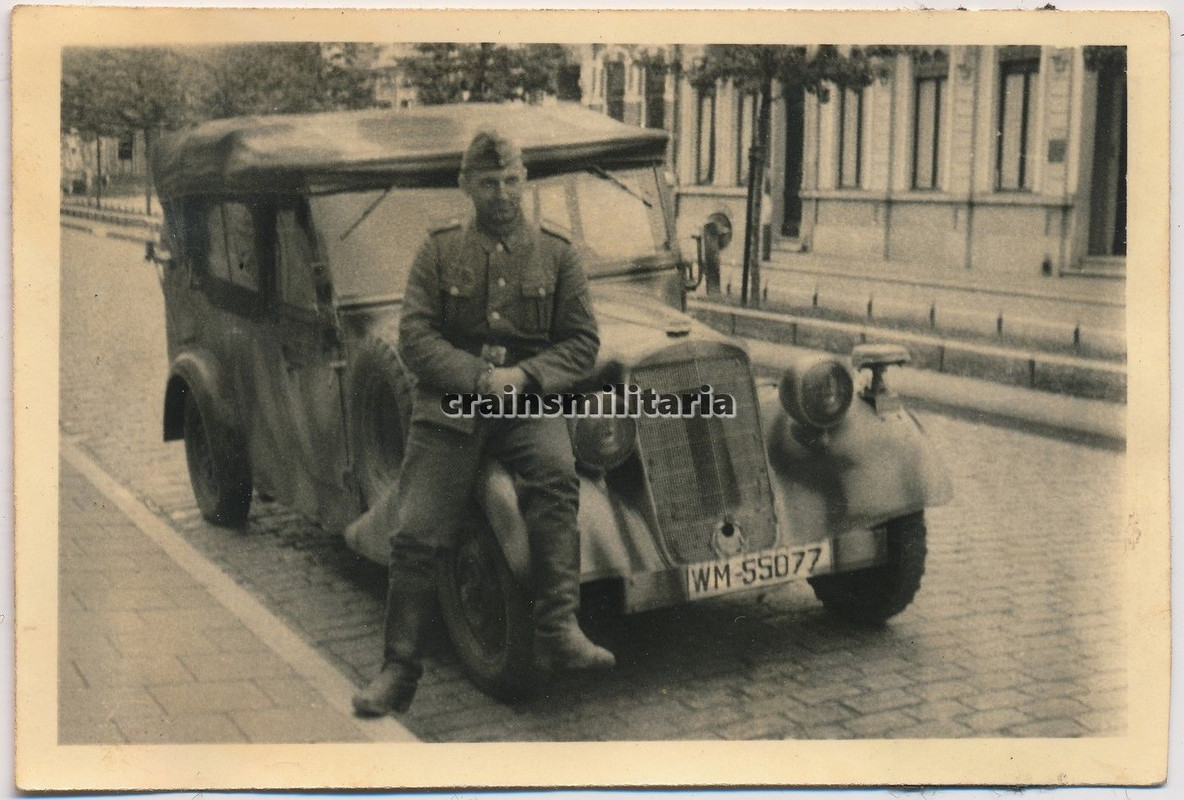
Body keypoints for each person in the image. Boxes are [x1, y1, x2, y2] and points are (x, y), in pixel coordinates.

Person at [351, 130, 615, 717]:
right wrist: (477, 378)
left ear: (525, 182)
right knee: (416, 530)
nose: (502, 194)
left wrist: (525, 379)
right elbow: (414, 339)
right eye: (490, 182)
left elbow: (582, 343)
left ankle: (559, 627)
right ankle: (399, 669)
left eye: (513, 180)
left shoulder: (556, 252)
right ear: (466, 186)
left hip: (524, 402)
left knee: (556, 477)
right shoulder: (439, 252)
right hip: (452, 405)